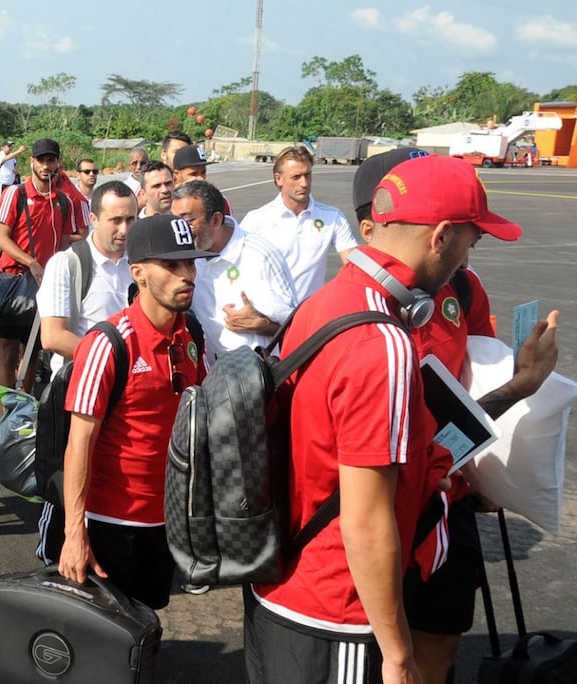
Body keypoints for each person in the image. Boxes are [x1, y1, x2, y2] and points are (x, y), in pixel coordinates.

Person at [244, 154, 527, 684]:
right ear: (441, 235)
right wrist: (397, 652)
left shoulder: (323, 304)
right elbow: (366, 520)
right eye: (472, 237)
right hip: (339, 610)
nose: (472, 253)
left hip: (281, 584)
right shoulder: (384, 342)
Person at [351, 149, 560, 684]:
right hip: (376, 502)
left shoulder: (462, 289)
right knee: (372, 647)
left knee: (439, 643)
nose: (469, 255)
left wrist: (491, 472)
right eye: (467, 236)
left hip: (449, 495)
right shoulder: (352, 313)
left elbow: (475, 381)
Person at [57, 213, 214, 610]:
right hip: (113, 523)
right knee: (105, 637)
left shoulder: (192, 332)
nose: (187, 275)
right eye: (172, 265)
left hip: (168, 518)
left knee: (148, 621)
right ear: (139, 273)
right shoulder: (107, 343)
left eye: (190, 263)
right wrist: (75, 534)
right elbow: (79, 444)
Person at [33, 180, 137, 566]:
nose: (124, 230)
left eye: (131, 219)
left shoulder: (138, 262)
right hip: (76, 394)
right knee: (67, 488)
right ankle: (54, 560)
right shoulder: (70, 262)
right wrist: (114, 361)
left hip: (123, 396)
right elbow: (53, 335)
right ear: (93, 218)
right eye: (115, 220)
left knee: (112, 481)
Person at [0, 138, 79, 392]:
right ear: (31, 162)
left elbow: (63, 242)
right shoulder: (15, 193)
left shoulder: (63, 201)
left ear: (58, 163)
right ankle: (8, 410)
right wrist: (31, 262)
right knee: (8, 349)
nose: (45, 165)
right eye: (40, 160)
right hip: (13, 281)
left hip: (44, 285)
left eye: (50, 160)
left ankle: (25, 405)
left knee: (33, 350)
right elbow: (1, 237)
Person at [173, 180, 296, 354]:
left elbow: (298, 327)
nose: (181, 230)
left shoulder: (261, 256)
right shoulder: (186, 257)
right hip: (208, 376)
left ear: (215, 219)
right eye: (175, 221)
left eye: (187, 220)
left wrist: (263, 325)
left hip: (255, 376)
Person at [240, 145, 356, 299]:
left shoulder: (333, 217)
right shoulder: (256, 220)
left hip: (310, 316)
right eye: (296, 177)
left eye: (307, 175)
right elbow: (235, 267)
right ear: (278, 179)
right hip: (269, 318)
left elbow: (354, 264)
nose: (304, 183)